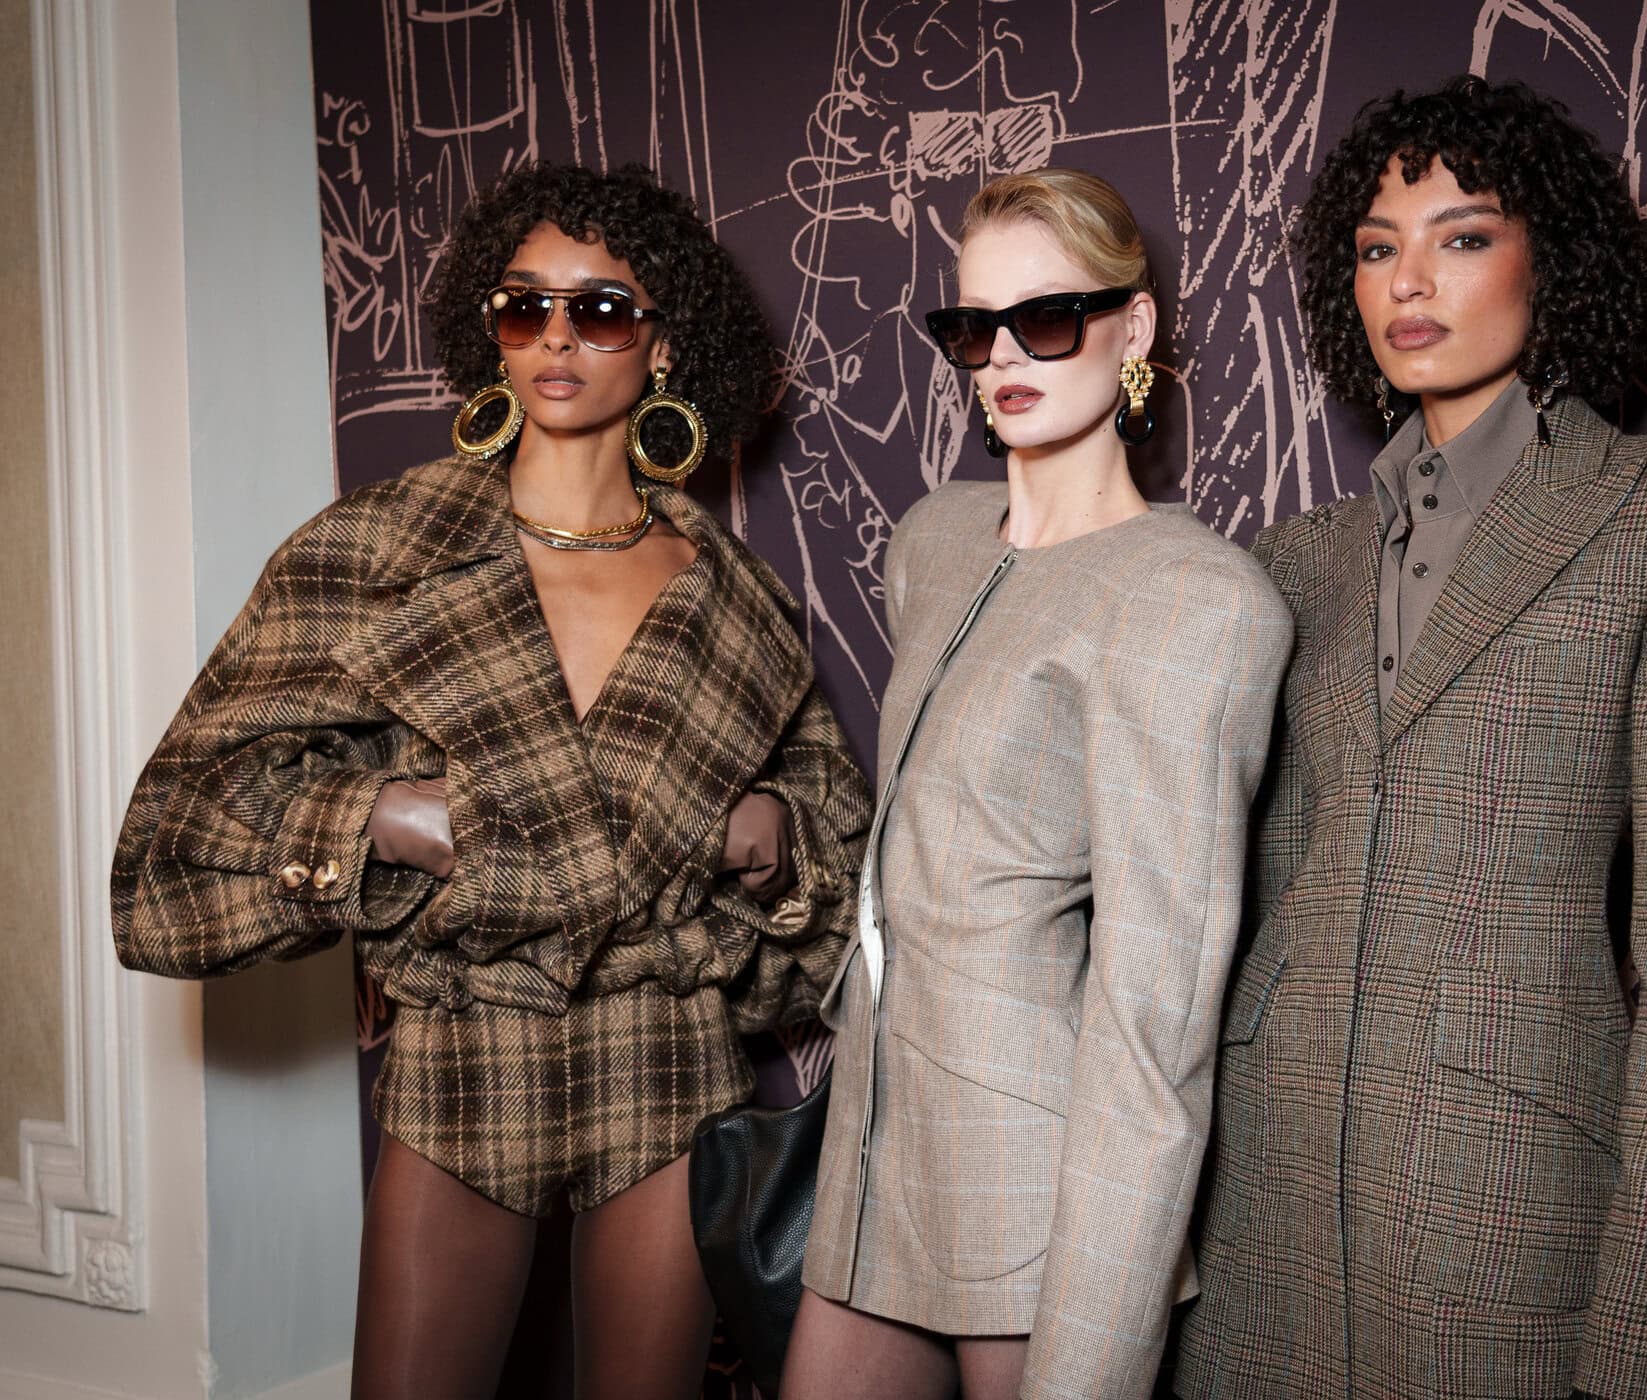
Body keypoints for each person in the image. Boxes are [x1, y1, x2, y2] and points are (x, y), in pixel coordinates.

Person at [110, 162, 871, 1400]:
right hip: (468, 1038)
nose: (555, 338)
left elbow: (840, 877)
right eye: (524, 307)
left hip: (666, 1048)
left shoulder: (732, 591)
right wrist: (382, 817)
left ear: (663, 344)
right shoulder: (376, 544)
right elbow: (177, 829)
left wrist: (770, 832)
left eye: (600, 310)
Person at [1174, 77, 1647, 1400]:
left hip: (1509, 1217)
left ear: (1553, 260)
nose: (1409, 280)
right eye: (1376, 247)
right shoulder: (1291, 563)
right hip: (1258, 1221)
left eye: (1461, 236)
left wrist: (1637, 1365)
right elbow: (1252, 902)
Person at [782, 168, 1293, 1400]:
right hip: (870, 1142)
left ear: (1135, 326)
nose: (1003, 354)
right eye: (973, 326)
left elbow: (1155, 1021)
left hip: (1034, 1175)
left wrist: (1095, 1348)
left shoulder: (1191, 598)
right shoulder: (933, 540)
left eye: (1048, 318)